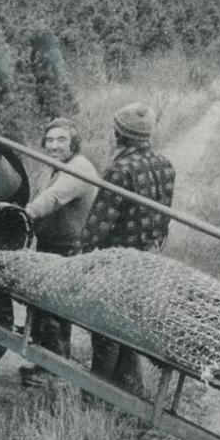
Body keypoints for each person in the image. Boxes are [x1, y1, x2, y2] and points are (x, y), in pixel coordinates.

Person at [81, 102, 177, 393]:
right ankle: (130, 387)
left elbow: (99, 223)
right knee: (131, 322)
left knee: (106, 327)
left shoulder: (119, 170)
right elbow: (165, 214)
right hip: (150, 257)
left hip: (119, 261)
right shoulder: (166, 165)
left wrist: (79, 254)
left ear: (119, 135)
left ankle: (97, 394)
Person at [18, 117, 99, 384]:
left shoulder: (78, 169)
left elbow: (53, 198)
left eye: (61, 140)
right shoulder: (58, 166)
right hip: (53, 244)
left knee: (54, 306)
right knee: (45, 305)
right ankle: (45, 363)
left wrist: (26, 214)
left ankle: (55, 372)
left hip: (68, 248)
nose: (54, 145)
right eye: (50, 140)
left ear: (73, 142)